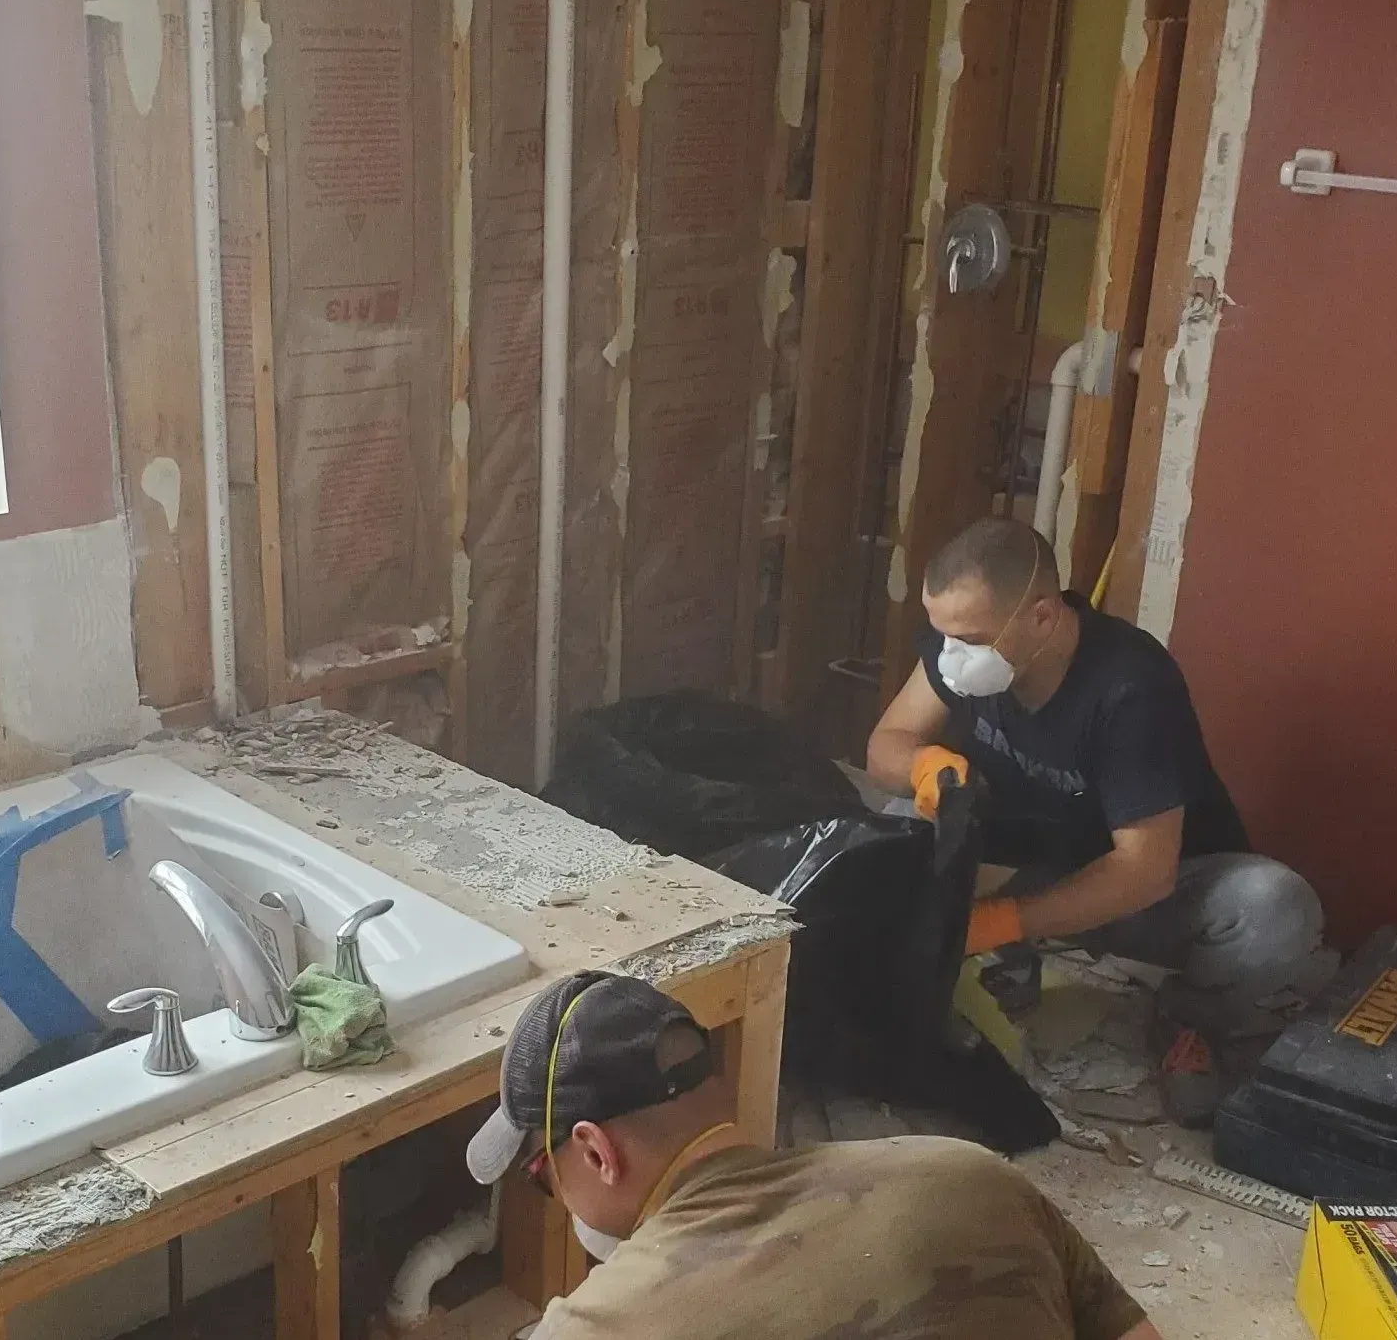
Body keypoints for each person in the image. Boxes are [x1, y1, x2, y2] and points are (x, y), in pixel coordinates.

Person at [867, 517, 1321, 1124]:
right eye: (941, 632)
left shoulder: (1130, 688)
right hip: (1024, 859)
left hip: (1138, 898)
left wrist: (1002, 921)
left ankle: (1188, 1018)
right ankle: (983, 973)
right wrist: (923, 763)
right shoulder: (959, 649)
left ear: (1043, 617)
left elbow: (1144, 871)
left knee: (1277, 908)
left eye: (972, 638)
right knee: (895, 826)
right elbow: (884, 746)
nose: (952, 656)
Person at [467, 970, 1161, 1340]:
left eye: (540, 1177)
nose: (556, 1199)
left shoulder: (597, 1326)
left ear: (595, 1150)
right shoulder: (969, 1172)